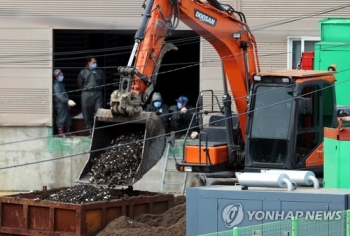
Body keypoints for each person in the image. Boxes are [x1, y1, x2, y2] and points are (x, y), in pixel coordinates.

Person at [77, 56, 105, 136]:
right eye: (93, 62)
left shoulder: (100, 72)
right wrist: (86, 90)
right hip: (86, 94)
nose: (95, 64)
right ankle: (89, 130)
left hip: (97, 93)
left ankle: (98, 131)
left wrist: (99, 89)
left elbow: (103, 82)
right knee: (87, 112)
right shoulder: (83, 72)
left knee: (99, 112)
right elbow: (80, 84)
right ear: (89, 63)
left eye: (96, 62)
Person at [53, 69, 76, 137]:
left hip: (64, 103)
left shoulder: (61, 84)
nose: (61, 76)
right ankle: (61, 132)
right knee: (61, 117)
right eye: (60, 75)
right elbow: (59, 95)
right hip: (60, 104)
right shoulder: (56, 85)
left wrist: (67, 102)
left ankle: (67, 131)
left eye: (61, 74)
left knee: (67, 117)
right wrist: (67, 101)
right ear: (56, 77)